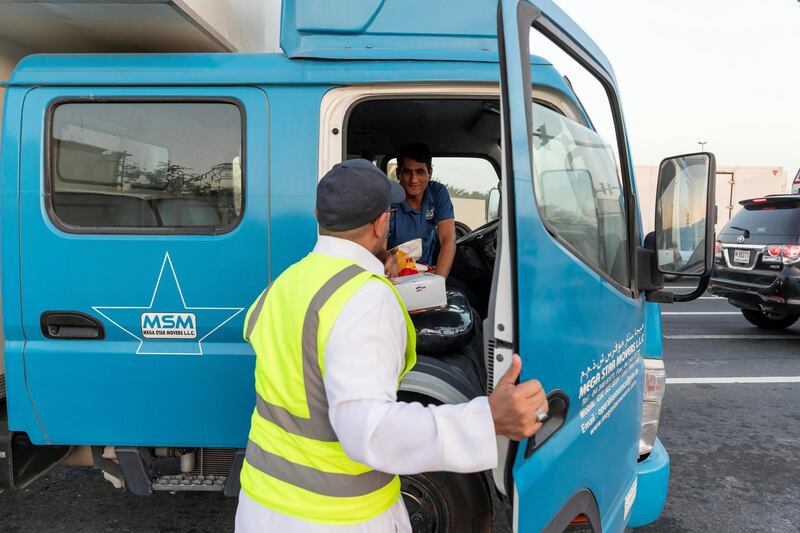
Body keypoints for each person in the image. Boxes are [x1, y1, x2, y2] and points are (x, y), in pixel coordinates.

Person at [235, 159, 549, 532]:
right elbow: (368, 430)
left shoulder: (288, 280)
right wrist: (487, 420)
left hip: (262, 503)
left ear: (320, 215)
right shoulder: (366, 299)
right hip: (335, 517)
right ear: (382, 222)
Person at [389, 143, 456, 278]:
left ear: (430, 172)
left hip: (427, 272)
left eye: (420, 171)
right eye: (407, 172)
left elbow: (448, 239)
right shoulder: (389, 198)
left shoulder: (437, 192)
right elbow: (378, 247)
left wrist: (438, 282)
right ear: (398, 173)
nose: (414, 180)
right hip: (394, 275)